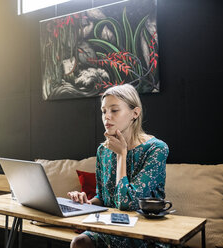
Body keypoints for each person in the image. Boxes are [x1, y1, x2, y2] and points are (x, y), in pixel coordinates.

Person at [68, 84, 169, 248]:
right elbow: (102, 198)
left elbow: (126, 204)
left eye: (114, 110)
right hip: (111, 227)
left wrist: (122, 154)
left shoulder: (156, 149)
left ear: (134, 113)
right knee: (79, 242)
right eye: (103, 111)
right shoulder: (103, 150)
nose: (107, 117)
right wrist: (84, 204)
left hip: (143, 231)